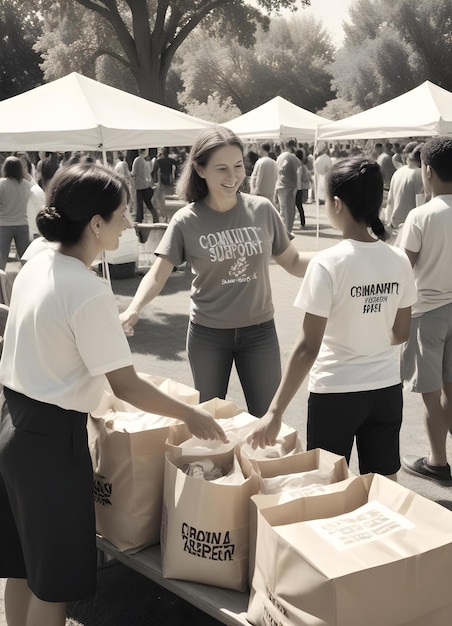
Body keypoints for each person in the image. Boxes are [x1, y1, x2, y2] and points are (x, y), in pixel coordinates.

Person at [0, 162, 226, 626]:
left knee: (22, 567)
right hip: (49, 442)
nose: (129, 222)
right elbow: (125, 385)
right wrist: (193, 415)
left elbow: (61, 337)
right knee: (54, 582)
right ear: (96, 223)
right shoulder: (88, 290)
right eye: (122, 213)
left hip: (13, 424)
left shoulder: (39, 257)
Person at [120, 126, 314, 418]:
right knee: (210, 420)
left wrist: (344, 255)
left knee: (268, 419)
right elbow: (158, 274)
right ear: (200, 169)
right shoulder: (186, 220)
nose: (233, 176)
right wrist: (134, 308)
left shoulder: (262, 209)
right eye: (221, 168)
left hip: (260, 333)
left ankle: (260, 467)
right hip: (208, 335)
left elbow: (295, 262)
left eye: (238, 166)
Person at [248, 156, 417, 480]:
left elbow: (307, 348)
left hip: (335, 392)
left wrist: (275, 412)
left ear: (336, 204)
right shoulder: (398, 260)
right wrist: (370, 330)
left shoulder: (328, 264)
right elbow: (401, 332)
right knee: (383, 488)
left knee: (328, 486)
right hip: (385, 391)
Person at [398, 136, 452, 485]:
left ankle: (437, 463)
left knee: (431, 395)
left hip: (427, 312)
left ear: (427, 171)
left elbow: (403, 270)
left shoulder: (420, 216)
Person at [0, 156, 32, 269]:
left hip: (4, 224)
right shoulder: (27, 185)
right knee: (25, 257)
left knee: (1, 258)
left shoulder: (2, 184)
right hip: (22, 224)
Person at [384, 143, 424, 229]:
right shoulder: (420, 174)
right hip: (411, 226)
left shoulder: (398, 172)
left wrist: (388, 222)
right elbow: (421, 204)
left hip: (394, 224)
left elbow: (390, 201)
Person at [17, 153, 46, 241]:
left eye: (24, 166)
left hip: (34, 235)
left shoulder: (35, 191)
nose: (21, 170)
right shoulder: (8, 187)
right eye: (17, 166)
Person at [275, 139, 300, 238]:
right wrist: (298, 187)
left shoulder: (280, 157)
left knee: (282, 209)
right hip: (289, 186)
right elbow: (298, 172)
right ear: (293, 146)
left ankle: (283, 230)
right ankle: (288, 231)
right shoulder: (293, 158)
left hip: (280, 185)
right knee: (289, 210)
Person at [131, 148, 159, 224]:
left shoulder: (137, 160)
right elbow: (150, 171)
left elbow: (133, 172)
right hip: (147, 185)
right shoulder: (147, 161)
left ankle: (139, 220)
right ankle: (155, 218)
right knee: (149, 203)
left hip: (140, 185)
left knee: (139, 204)